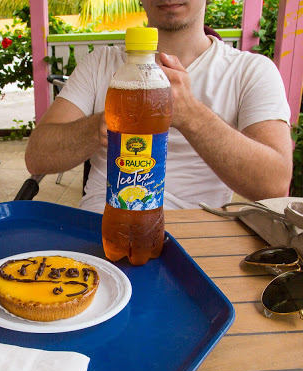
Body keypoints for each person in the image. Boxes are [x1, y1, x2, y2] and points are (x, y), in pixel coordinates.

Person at [25, 0, 293, 213]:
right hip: (105, 224)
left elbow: (274, 185)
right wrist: (103, 123)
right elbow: (37, 156)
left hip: (198, 235)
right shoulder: (101, 62)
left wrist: (192, 116)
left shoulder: (250, 71)